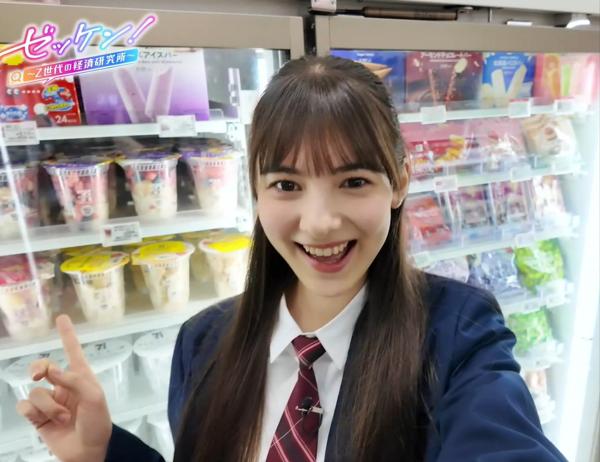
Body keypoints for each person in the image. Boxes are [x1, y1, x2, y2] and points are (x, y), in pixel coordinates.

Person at [17, 56, 567, 462]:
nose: (319, 221)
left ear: (400, 182)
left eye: (354, 181)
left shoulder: (458, 335)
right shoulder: (202, 342)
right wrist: (103, 451)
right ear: (255, 191)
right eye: (286, 185)